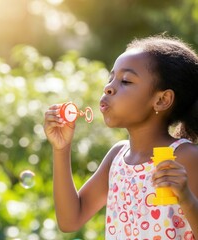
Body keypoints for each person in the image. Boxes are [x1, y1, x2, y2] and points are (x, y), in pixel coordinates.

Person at [43, 35, 198, 239]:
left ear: (162, 100)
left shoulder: (186, 156)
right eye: (111, 78)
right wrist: (61, 149)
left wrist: (186, 198)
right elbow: (70, 220)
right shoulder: (117, 157)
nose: (109, 87)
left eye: (125, 81)